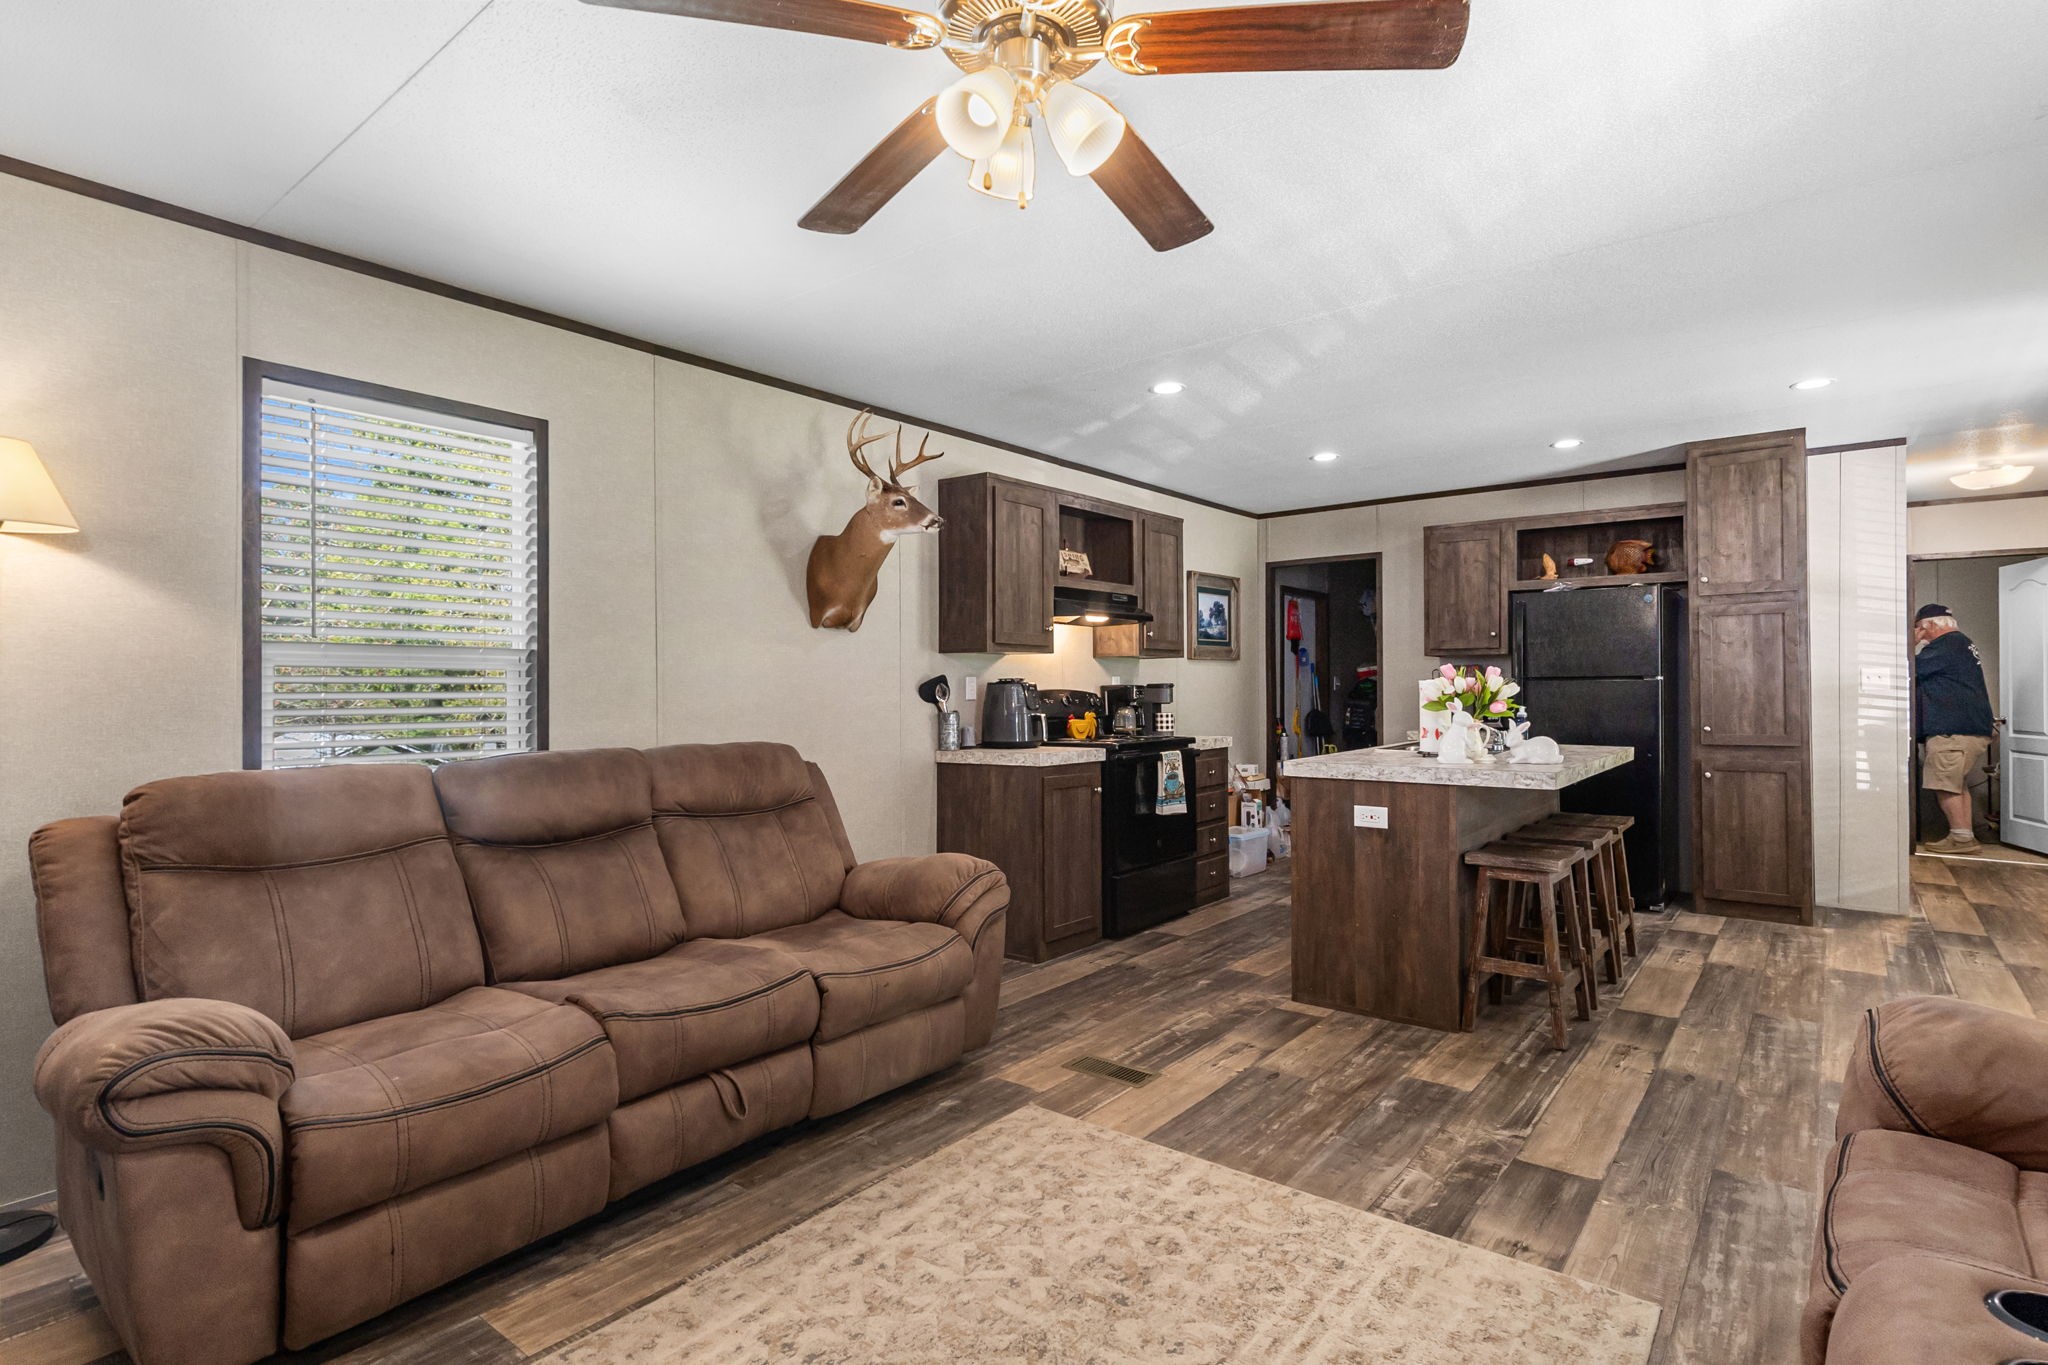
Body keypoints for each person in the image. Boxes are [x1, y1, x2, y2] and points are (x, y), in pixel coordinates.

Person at [1912, 603, 1996, 852]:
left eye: (1918, 628)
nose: (1919, 634)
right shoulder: (1961, 643)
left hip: (1953, 730)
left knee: (1944, 783)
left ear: (1930, 625)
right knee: (1955, 783)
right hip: (1967, 727)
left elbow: (1907, 668)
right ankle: (1964, 835)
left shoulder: (1945, 645)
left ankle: (1961, 839)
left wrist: (1910, 645)